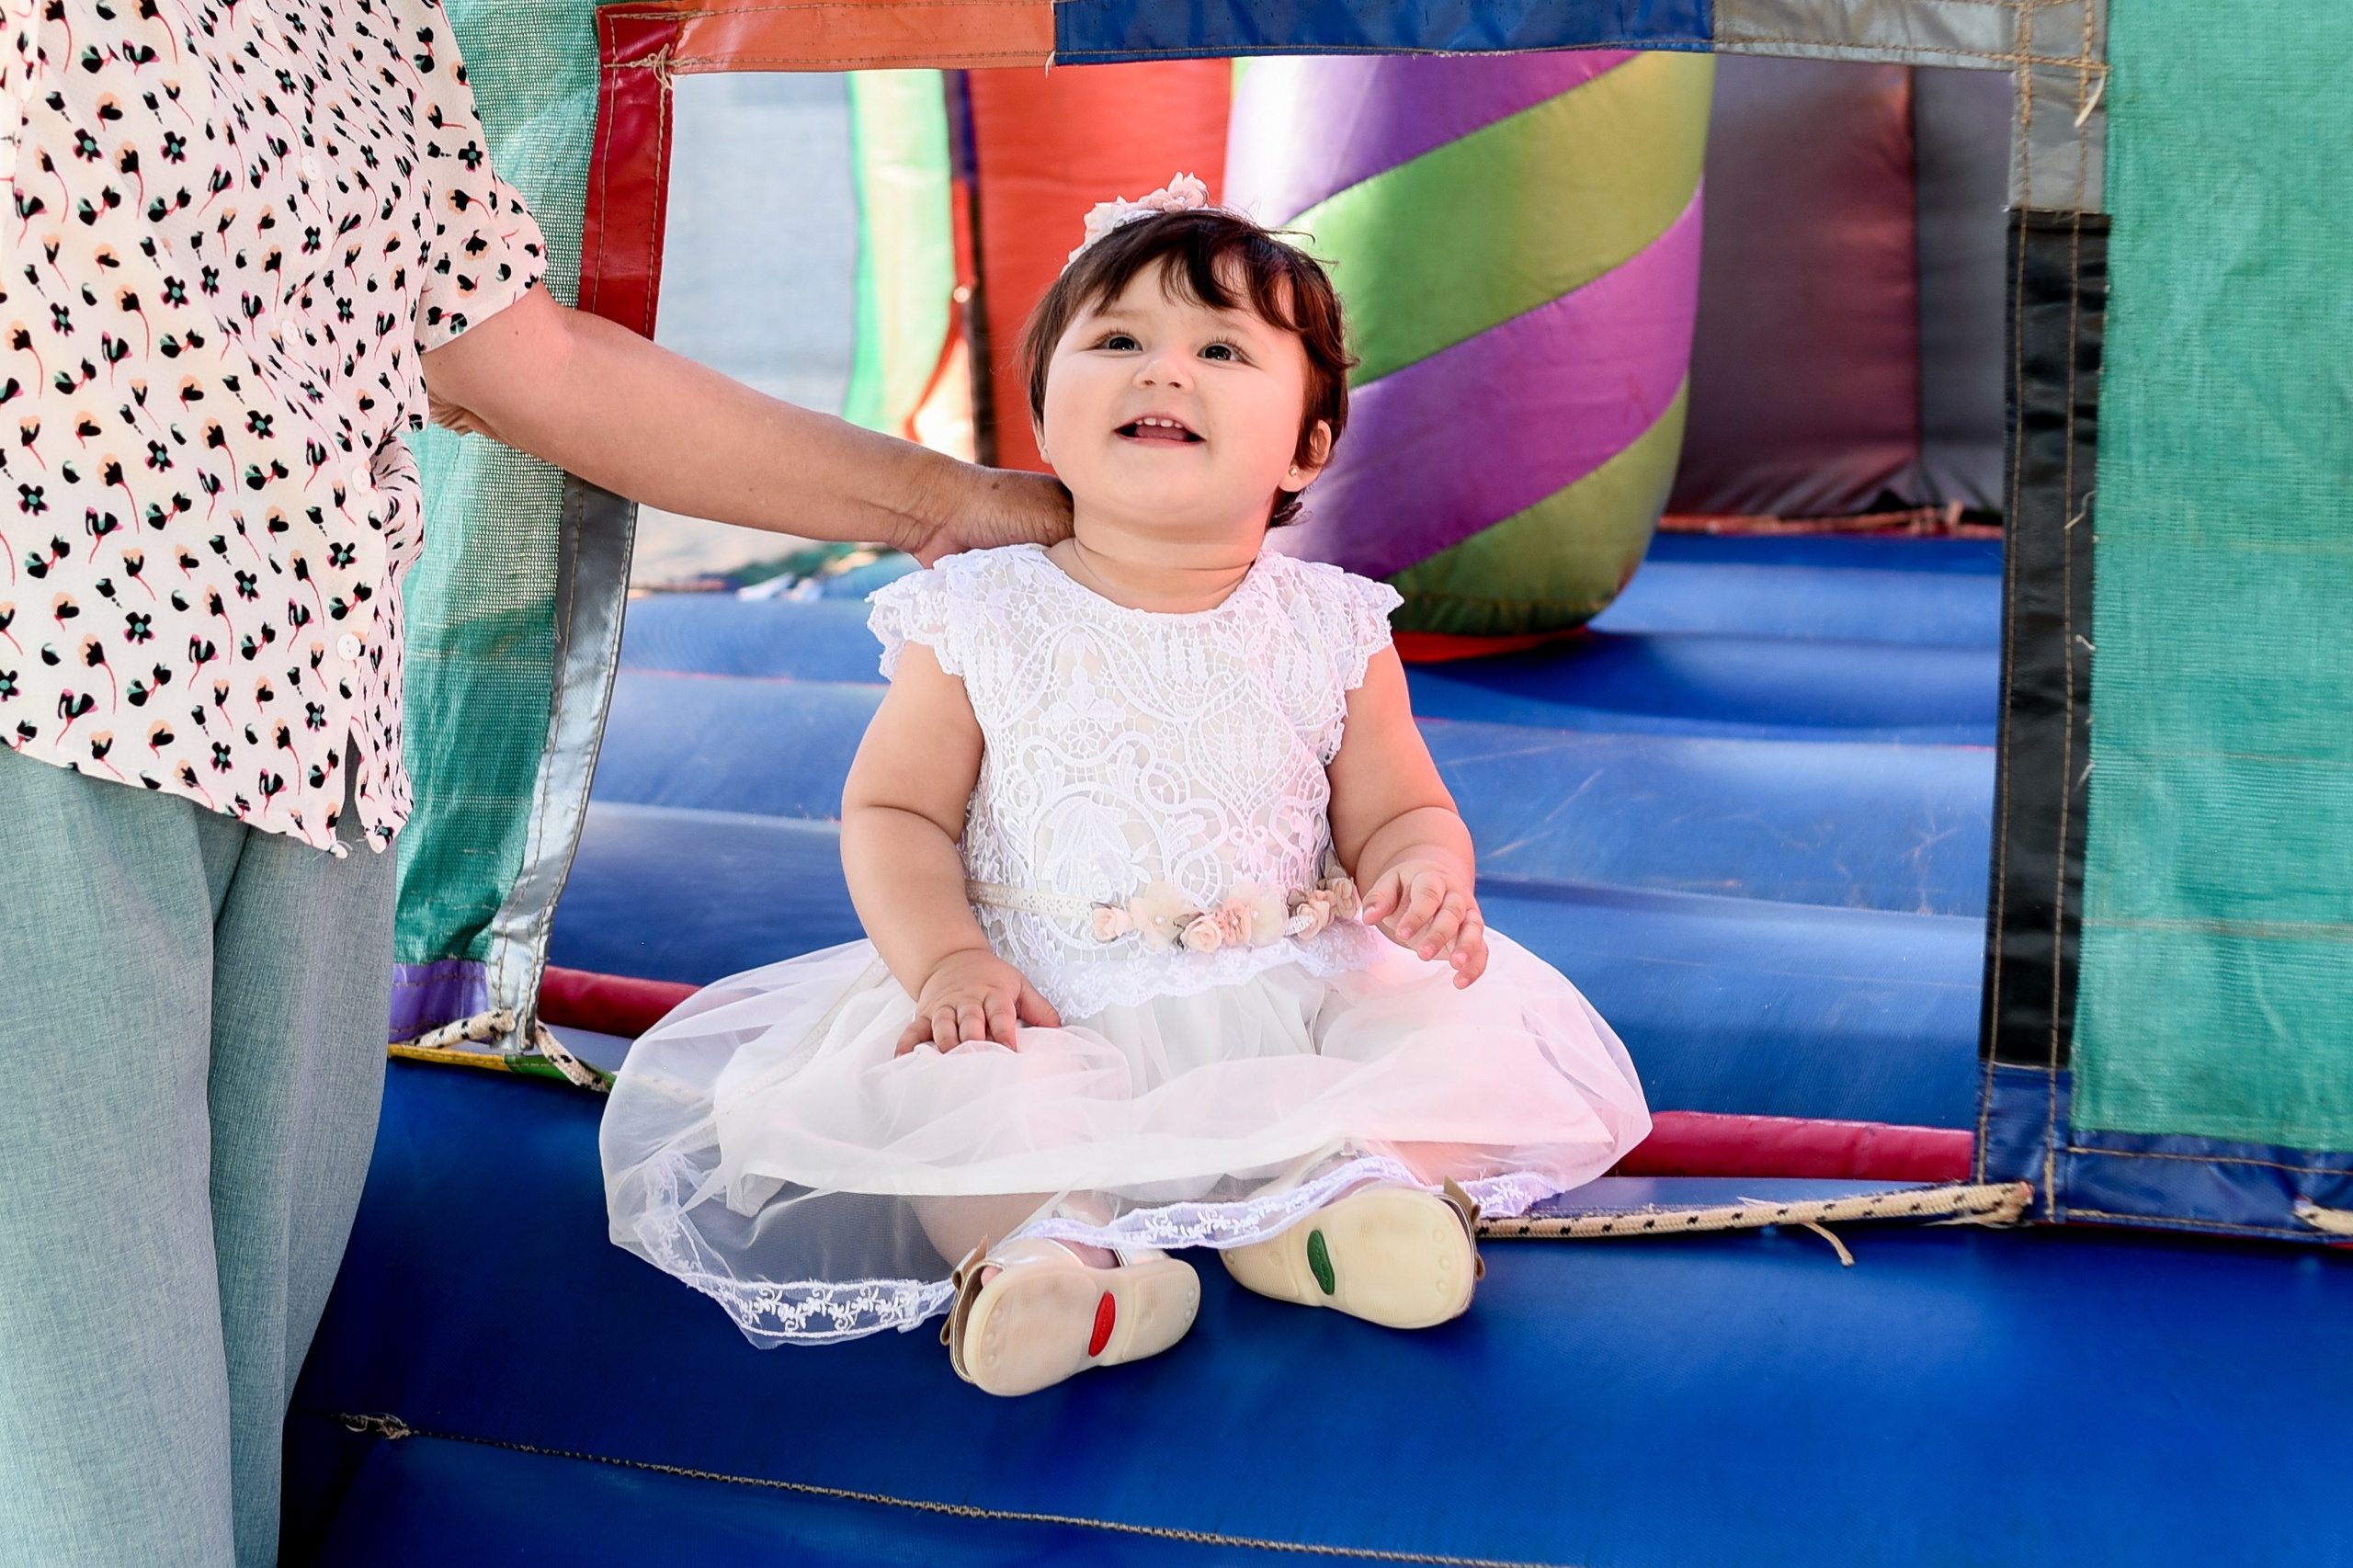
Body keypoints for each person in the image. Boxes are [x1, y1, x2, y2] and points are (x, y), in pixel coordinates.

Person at [0, 1, 1066, 1562]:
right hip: (55, 722)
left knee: (218, 1464)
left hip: (318, 771)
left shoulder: (372, 33)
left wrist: (949, 500)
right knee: (106, 1495)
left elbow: (529, 363)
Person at [602, 180, 1651, 1397]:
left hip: (1288, 992)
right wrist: (945, 960)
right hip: (1034, 998)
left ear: (1310, 439)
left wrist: (1422, 872)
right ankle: (1052, 1257)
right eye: (1117, 342)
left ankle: (1345, 1211)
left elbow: (1400, 806)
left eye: (1220, 348)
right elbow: (897, 813)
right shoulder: (981, 612)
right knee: (970, 1101)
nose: (1166, 372)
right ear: (1043, 414)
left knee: (1416, 1045)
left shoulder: (1332, 625)